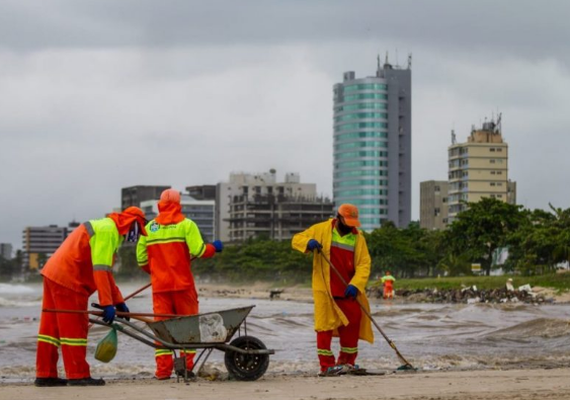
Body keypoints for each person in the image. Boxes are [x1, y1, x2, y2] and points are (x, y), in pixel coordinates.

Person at [35, 207, 148, 387]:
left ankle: (45, 374)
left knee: (51, 329)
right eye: (138, 231)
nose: (135, 237)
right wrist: (106, 304)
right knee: (74, 329)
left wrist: (118, 302)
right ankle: (77, 375)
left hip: (54, 274)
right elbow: (101, 271)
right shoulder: (108, 231)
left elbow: (106, 273)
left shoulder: (106, 228)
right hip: (70, 280)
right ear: (132, 223)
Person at [136, 189, 223, 380]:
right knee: (189, 328)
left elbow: (141, 259)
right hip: (183, 287)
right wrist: (214, 248)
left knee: (163, 330)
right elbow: (199, 250)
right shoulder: (186, 225)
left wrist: (156, 273)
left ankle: (162, 372)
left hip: (160, 288)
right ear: (178, 204)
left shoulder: (149, 228)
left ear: (160, 204)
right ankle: (185, 368)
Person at [291, 203, 373, 376]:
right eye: (348, 221)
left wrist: (355, 284)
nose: (351, 225)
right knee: (324, 326)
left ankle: (347, 363)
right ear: (339, 217)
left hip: (348, 289)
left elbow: (364, 264)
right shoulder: (321, 229)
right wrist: (308, 242)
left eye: (353, 222)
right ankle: (326, 366)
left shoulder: (358, 238)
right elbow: (296, 239)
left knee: (353, 323)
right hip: (325, 289)